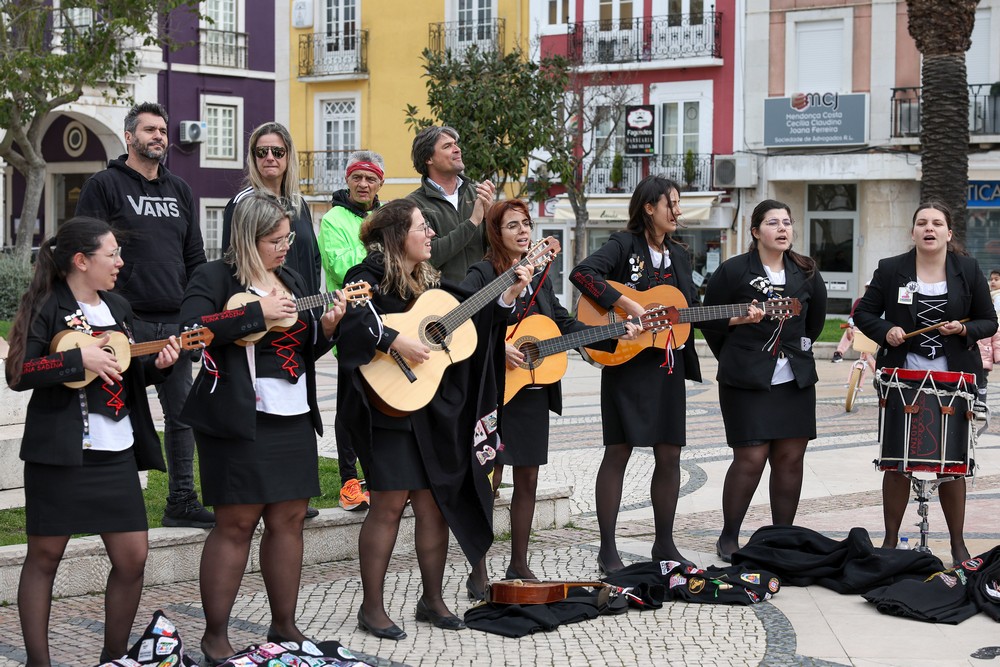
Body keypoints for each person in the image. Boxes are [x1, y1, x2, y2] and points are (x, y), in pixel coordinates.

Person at [336, 199, 531, 639]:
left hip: (428, 409)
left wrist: (508, 294)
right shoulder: (364, 277)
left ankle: (432, 599)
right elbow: (355, 324)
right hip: (386, 410)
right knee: (387, 505)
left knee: (433, 507)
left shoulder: (429, 281)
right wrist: (394, 340)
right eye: (422, 227)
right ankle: (372, 608)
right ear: (396, 236)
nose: (430, 235)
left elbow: (472, 320)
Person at [178, 195, 346, 663]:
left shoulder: (291, 279)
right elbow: (192, 329)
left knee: (289, 521)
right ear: (248, 240)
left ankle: (284, 622)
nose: (286, 248)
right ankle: (215, 634)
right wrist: (256, 314)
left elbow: (300, 348)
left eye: (289, 237)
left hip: (291, 415)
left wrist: (327, 330)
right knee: (236, 524)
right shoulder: (213, 277)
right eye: (276, 240)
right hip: (237, 420)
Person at [6, 218, 180, 666]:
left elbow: (130, 368)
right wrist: (72, 359)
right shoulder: (47, 304)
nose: (121, 263)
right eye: (112, 255)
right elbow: (19, 372)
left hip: (115, 452)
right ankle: (38, 662)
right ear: (82, 261)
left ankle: (113, 656)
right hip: (60, 455)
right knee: (45, 558)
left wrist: (161, 362)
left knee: (133, 558)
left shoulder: (119, 307)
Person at [463, 200, 637, 592]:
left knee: (528, 481)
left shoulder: (540, 281)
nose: (523, 231)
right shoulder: (481, 274)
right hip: (491, 392)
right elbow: (465, 327)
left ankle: (519, 563)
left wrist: (611, 332)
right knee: (487, 481)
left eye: (526, 224)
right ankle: (478, 567)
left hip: (531, 394)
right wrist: (496, 347)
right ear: (496, 233)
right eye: (513, 226)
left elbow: (562, 323)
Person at [75, 102, 212, 529]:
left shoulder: (180, 191)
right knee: (116, 410)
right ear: (130, 137)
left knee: (182, 413)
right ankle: (109, 502)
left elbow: (194, 256)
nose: (159, 137)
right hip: (123, 320)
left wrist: (197, 312)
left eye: (163, 131)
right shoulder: (105, 185)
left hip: (173, 320)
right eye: (150, 130)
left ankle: (182, 500)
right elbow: (85, 247)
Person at [569, 175, 703, 572]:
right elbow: (583, 274)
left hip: (666, 364)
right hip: (625, 362)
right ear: (649, 207)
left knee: (670, 453)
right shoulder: (623, 244)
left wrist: (738, 317)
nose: (677, 211)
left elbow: (687, 308)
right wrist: (630, 306)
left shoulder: (680, 255)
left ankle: (665, 543)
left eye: (678, 205)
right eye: (671, 204)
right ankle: (607, 548)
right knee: (619, 450)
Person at [854, 201, 998, 566]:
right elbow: (864, 313)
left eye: (937, 223)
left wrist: (964, 329)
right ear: (913, 232)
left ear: (949, 233)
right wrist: (887, 331)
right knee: (897, 460)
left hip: (955, 380)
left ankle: (958, 544)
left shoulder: (967, 269)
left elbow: (988, 320)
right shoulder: (891, 270)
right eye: (922, 223)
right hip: (904, 379)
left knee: (953, 463)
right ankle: (889, 541)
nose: (929, 228)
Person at [702, 199, 828, 562]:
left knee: (790, 458)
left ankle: (781, 536)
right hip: (745, 379)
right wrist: (740, 352)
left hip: (794, 378)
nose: (782, 229)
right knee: (751, 458)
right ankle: (729, 536)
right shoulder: (734, 270)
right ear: (755, 231)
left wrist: (791, 349)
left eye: (787, 222)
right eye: (773, 223)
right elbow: (710, 321)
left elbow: (814, 322)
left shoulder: (805, 271)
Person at [220, 122, 324, 521]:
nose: (269, 159)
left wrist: (312, 312)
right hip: (259, 320)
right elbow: (237, 260)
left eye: (277, 152)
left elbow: (310, 261)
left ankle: (292, 494)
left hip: (298, 310)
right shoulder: (244, 201)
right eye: (262, 152)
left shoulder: (297, 204)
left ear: (288, 157)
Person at [318, 149, 386, 512]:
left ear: (380, 183)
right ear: (347, 179)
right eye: (357, 177)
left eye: (370, 178)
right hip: (347, 319)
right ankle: (348, 480)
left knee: (382, 400)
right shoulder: (332, 219)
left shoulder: (386, 216)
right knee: (349, 405)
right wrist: (378, 256)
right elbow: (342, 264)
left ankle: (378, 477)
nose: (363, 184)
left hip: (387, 319)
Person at [407, 125, 496, 283]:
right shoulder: (413, 205)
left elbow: (498, 248)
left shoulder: (478, 194)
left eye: (456, 144)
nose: (457, 149)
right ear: (428, 159)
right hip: (443, 301)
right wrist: (473, 222)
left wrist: (491, 219)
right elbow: (429, 257)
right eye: (447, 146)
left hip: (484, 296)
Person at [832, 282, 870, 363]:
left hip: (870, 329)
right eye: (867, 288)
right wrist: (848, 326)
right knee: (848, 329)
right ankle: (839, 353)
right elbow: (852, 315)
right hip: (857, 327)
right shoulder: (859, 301)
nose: (868, 290)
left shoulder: (878, 302)